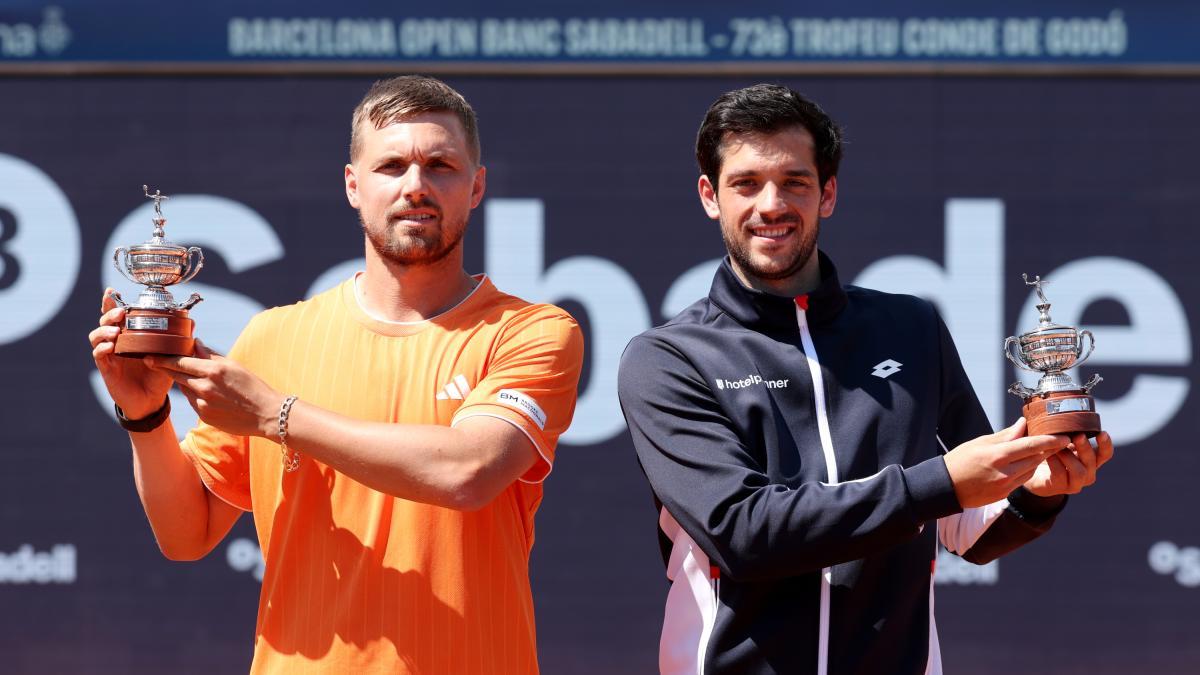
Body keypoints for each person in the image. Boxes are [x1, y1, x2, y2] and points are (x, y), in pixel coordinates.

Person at [89, 75, 584, 674]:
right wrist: (146, 418)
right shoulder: (274, 337)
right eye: (391, 166)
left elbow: (467, 470)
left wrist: (279, 417)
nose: (415, 186)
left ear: (476, 186)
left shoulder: (531, 331)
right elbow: (185, 532)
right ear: (354, 185)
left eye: (441, 166)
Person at [616, 83, 1113, 675]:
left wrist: (1038, 493)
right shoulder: (667, 359)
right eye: (746, 183)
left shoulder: (911, 326)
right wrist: (938, 486)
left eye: (795, 182)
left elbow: (968, 526)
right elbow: (742, 532)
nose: (771, 205)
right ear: (710, 196)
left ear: (827, 194)